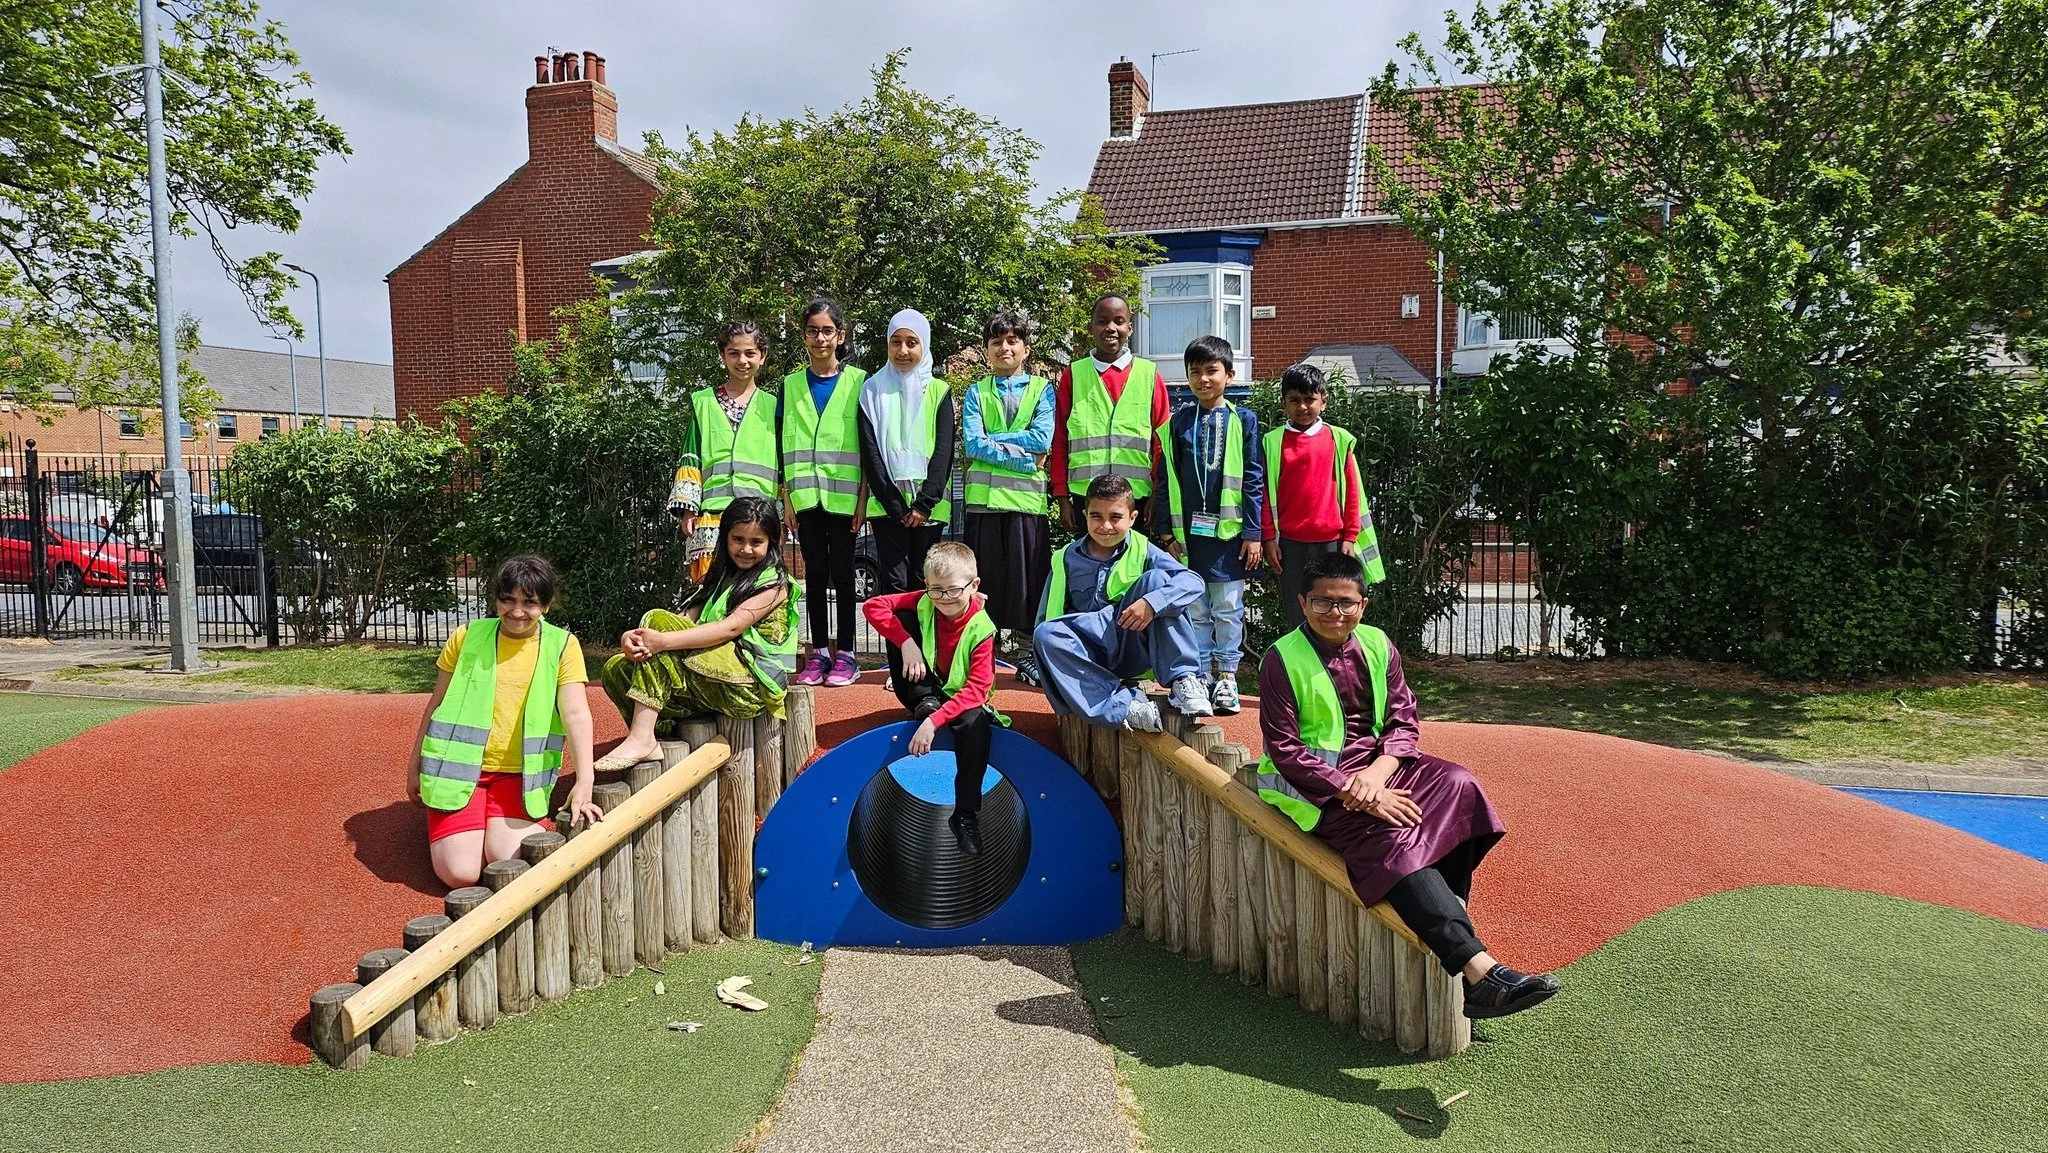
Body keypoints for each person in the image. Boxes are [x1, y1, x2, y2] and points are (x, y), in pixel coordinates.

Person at [1257, 551, 1560, 1020]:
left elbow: (1403, 719)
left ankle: (1447, 908)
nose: (1334, 613)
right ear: (1302, 602)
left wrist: (1379, 774)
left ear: (1364, 605)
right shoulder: (1281, 658)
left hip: (1380, 769)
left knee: (1461, 785)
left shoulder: (1378, 645)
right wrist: (1350, 788)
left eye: (1345, 603)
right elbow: (1284, 748)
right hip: (1319, 786)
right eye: (1322, 602)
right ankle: (1479, 972)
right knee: (1393, 842)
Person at [410, 555, 601, 889]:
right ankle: (456, 815)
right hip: (457, 771)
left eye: (530, 602)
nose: (516, 611)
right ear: (495, 598)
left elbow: (575, 713)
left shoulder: (562, 645)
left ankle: (482, 823)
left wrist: (585, 779)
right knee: (461, 874)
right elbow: (436, 704)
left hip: (520, 776)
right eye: (507, 599)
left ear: (548, 604)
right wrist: (415, 765)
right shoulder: (466, 636)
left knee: (511, 863)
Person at [596, 496, 801, 769]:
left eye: (756, 542)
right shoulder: (720, 578)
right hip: (713, 675)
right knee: (616, 668)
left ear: (772, 543)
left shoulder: (776, 584)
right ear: (725, 538)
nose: (746, 549)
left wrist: (662, 641)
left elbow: (731, 627)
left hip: (750, 687)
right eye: (738, 539)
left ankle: (641, 737)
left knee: (660, 625)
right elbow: (682, 620)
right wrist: (634, 639)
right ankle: (661, 733)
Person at [1033, 474, 1212, 733]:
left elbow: (1192, 582)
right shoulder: (1065, 558)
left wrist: (1152, 603)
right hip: (1088, 655)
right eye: (1096, 516)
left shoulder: (1144, 549)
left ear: (1132, 518)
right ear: (1085, 515)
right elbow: (1046, 618)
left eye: (1115, 517)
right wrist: (1058, 697)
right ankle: (1123, 706)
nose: (1105, 525)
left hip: (1130, 643)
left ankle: (1183, 679)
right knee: (1046, 633)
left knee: (1158, 580)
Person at [862, 542, 1008, 856]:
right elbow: (872, 606)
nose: (944, 599)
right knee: (900, 613)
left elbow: (978, 690)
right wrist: (906, 643)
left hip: (963, 697)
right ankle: (924, 699)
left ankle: (966, 814)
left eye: (954, 590)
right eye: (935, 590)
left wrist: (933, 721)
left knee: (976, 723)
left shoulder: (982, 628)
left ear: (974, 586)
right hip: (920, 686)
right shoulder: (926, 601)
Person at [1151, 335, 1264, 716]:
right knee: (1195, 608)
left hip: (1228, 536)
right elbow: (1165, 479)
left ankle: (1228, 677)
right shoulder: (1178, 423)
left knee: (1228, 607)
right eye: (1195, 372)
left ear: (1229, 375)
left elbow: (1253, 478)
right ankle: (1197, 675)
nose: (1203, 379)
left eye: (1211, 371)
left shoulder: (1243, 420)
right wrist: (1165, 532)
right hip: (1188, 538)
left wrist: (1253, 533)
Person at [961, 308, 1055, 687]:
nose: (1004, 347)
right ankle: (983, 654)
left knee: (1026, 584)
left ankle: (1026, 652)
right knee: (984, 584)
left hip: (1025, 506)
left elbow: (1043, 440)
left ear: (1026, 348)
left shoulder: (1041, 389)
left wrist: (994, 441)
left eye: (1012, 340)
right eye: (996, 341)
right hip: (983, 505)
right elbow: (971, 443)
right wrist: (1022, 456)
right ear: (986, 350)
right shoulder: (975, 391)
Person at [785, 298, 871, 690]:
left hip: (843, 498)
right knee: (814, 576)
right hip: (805, 497)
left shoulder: (859, 382)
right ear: (803, 336)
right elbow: (782, 443)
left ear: (841, 335)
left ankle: (848, 654)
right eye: (812, 331)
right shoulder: (789, 385)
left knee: (843, 574)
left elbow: (868, 446)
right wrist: (785, 497)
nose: (820, 338)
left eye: (827, 330)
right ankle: (818, 651)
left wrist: (863, 497)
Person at [1262, 363, 1386, 631]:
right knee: (1298, 610)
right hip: (1290, 545)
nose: (1303, 407)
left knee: (1333, 607)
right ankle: (1299, 666)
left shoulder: (1338, 439)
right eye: (1294, 400)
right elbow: (1263, 494)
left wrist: (1350, 537)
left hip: (1332, 542)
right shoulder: (1271, 442)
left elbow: (1353, 492)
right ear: (1284, 403)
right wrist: (1268, 538)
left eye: (1310, 399)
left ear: (1324, 401)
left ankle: (1333, 663)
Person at [671, 319, 780, 585]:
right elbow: (691, 458)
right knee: (708, 587)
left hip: (758, 514)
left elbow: (784, 463)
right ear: (722, 356)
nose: (742, 360)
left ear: (762, 357)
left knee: (755, 588)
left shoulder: (775, 406)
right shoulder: (704, 403)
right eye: (734, 353)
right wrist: (688, 509)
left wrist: (782, 513)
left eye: (750, 353)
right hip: (712, 514)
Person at [858, 308, 957, 597]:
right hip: (889, 509)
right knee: (895, 586)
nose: (903, 350)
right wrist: (897, 507)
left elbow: (944, 452)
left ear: (924, 345)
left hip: (930, 509)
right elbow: (870, 451)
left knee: (927, 584)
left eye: (911, 342)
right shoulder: (872, 390)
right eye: (895, 341)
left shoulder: (939, 390)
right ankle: (900, 645)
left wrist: (923, 505)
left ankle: (925, 644)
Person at [1050, 294, 1169, 530]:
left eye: (1119, 321)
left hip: (1136, 499)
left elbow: (1161, 443)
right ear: (1090, 327)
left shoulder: (1149, 374)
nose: (1111, 328)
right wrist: (1062, 496)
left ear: (1130, 327)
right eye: (1102, 321)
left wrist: (1158, 493)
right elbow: (1060, 439)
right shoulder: (1073, 375)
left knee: (1133, 564)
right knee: (1087, 564)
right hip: (1085, 499)